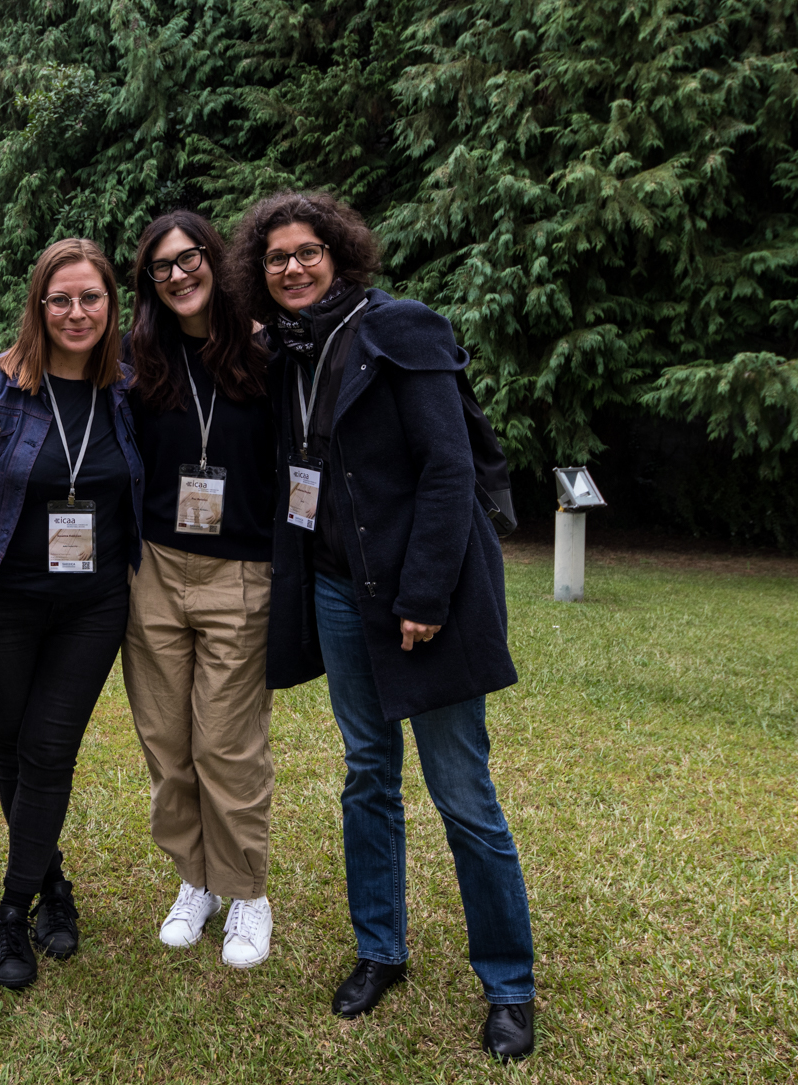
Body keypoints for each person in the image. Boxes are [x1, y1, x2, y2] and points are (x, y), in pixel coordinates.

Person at [232, 190, 536, 1060]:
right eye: (276, 256)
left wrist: (426, 597)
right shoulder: (286, 352)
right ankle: (380, 949)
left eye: (307, 251)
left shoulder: (402, 328)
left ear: (341, 253)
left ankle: (508, 983)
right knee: (368, 773)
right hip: (335, 590)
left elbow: (448, 470)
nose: (292, 267)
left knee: (463, 794)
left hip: (415, 596)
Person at [0, 238, 144, 990]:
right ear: (37, 305)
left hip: (93, 604)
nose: (76, 311)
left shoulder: (127, 387)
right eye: (60, 298)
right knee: (14, 743)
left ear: (110, 305)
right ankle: (52, 881)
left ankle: (10, 907)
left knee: (50, 747)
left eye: (90, 297)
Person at [117, 211, 279, 967]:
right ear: (148, 284)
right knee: (167, 742)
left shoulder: (266, 348)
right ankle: (196, 879)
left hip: (239, 571)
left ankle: (247, 889)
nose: (178, 275)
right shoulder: (136, 357)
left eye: (188, 260)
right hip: (152, 565)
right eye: (160, 268)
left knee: (227, 743)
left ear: (214, 259)